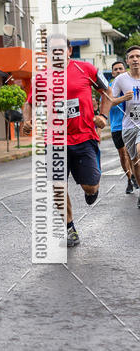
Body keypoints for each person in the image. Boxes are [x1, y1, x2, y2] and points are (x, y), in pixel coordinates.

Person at [22, 38, 111, 248]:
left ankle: (91, 190)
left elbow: (107, 92)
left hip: (84, 137)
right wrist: (27, 120)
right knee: (58, 186)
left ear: (69, 51)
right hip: (54, 140)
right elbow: (29, 103)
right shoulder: (41, 78)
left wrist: (104, 117)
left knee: (90, 186)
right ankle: (70, 228)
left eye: (61, 49)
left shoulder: (86, 68)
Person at [109, 45, 140, 207]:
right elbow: (109, 101)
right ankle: (135, 183)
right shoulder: (120, 80)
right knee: (133, 160)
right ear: (128, 61)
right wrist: (123, 99)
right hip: (126, 126)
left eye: (138, 56)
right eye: (132, 57)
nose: (135, 59)